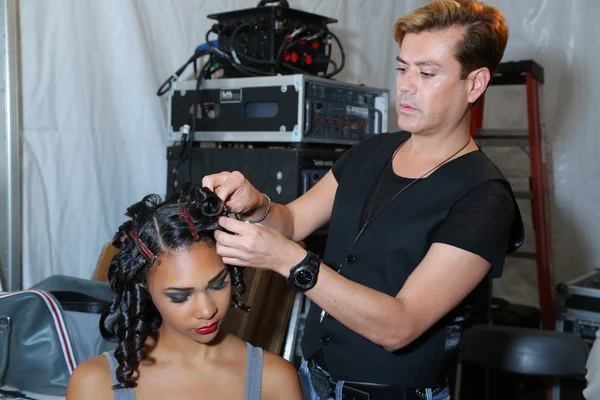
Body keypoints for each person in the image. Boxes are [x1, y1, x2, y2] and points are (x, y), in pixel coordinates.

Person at [203, 0, 524, 399]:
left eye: (427, 73)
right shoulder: (371, 151)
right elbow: (291, 222)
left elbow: (399, 326)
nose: (406, 86)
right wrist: (256, 205)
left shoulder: (484, 196)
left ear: (474, 83)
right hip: (314, 378)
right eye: (402, 68)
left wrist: (288, 260)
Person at [65, 183, 303, 400]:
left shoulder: (273, 380)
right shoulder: (94, 385)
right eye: (180, 296)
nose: (207, 309)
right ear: (144, 289)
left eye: (218, 284)